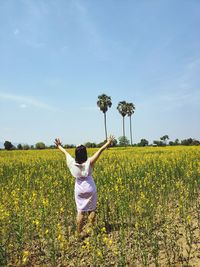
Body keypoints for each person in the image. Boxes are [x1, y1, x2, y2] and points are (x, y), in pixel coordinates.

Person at [54, 135, 115, 235]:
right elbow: (100, 150)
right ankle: (90, 229)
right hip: (90, 188)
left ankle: (78, 232)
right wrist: (108, 143)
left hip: (79, 190)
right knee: (92, 209)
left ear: (76, 155)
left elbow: (65, 152)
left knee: (81, 211)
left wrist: (59, 145)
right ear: (85, 154)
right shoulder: (89, 162)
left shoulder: (71, 162)